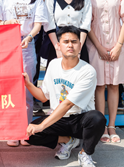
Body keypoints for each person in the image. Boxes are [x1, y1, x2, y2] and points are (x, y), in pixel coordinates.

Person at [24, 26, 106, 167]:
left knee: (97, 118)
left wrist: (42, 126)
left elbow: (68, 104)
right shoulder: (53, 65)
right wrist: (27, 84)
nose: (70, 45)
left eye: (74, 42)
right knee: (28, 134)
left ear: (80, 45)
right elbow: (43, 97)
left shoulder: (87, 71)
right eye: (66, 42)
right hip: (59, 118)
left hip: (80, 120)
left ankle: (85, 153)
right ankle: (67, 141)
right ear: (58, 45)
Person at [0, 0, 49, 146]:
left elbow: (38, 24)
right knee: (9, 89)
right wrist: (6, 24)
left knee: (27, 88)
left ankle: (25, 130)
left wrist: (30, 37)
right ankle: (11, 130)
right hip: (7, 46)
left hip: (27, 45)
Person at [84, 0, 124, 144]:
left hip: (117, 44)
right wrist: (98, 47)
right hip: (96, 45)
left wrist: (119, 45)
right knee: (99, 85)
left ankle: (112, 125)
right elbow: (87, 23)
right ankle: (101, 126)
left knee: (114, 85)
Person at [44, 0, 92, 64]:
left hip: (78, 42)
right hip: (57, 43)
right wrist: (57, 48)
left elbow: (85, 25)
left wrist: (78, 48)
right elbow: (49, 25)